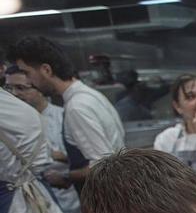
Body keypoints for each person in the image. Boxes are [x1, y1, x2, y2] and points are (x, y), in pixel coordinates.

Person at [9, 36, 124, 190]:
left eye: (27, 73)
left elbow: (104, 166)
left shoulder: (77, 107)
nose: (29, 81)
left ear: (46, 70)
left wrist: (66, 176)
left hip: (108, 197)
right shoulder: (88, 95)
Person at [4, 65, 90, 213]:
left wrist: (53, 156)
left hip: (69, 198)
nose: (16, 94)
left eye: (22, 88)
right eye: (9, 89)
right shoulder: (8, 122)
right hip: (32, 206)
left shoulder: (64, 116)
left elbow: (87, 158)